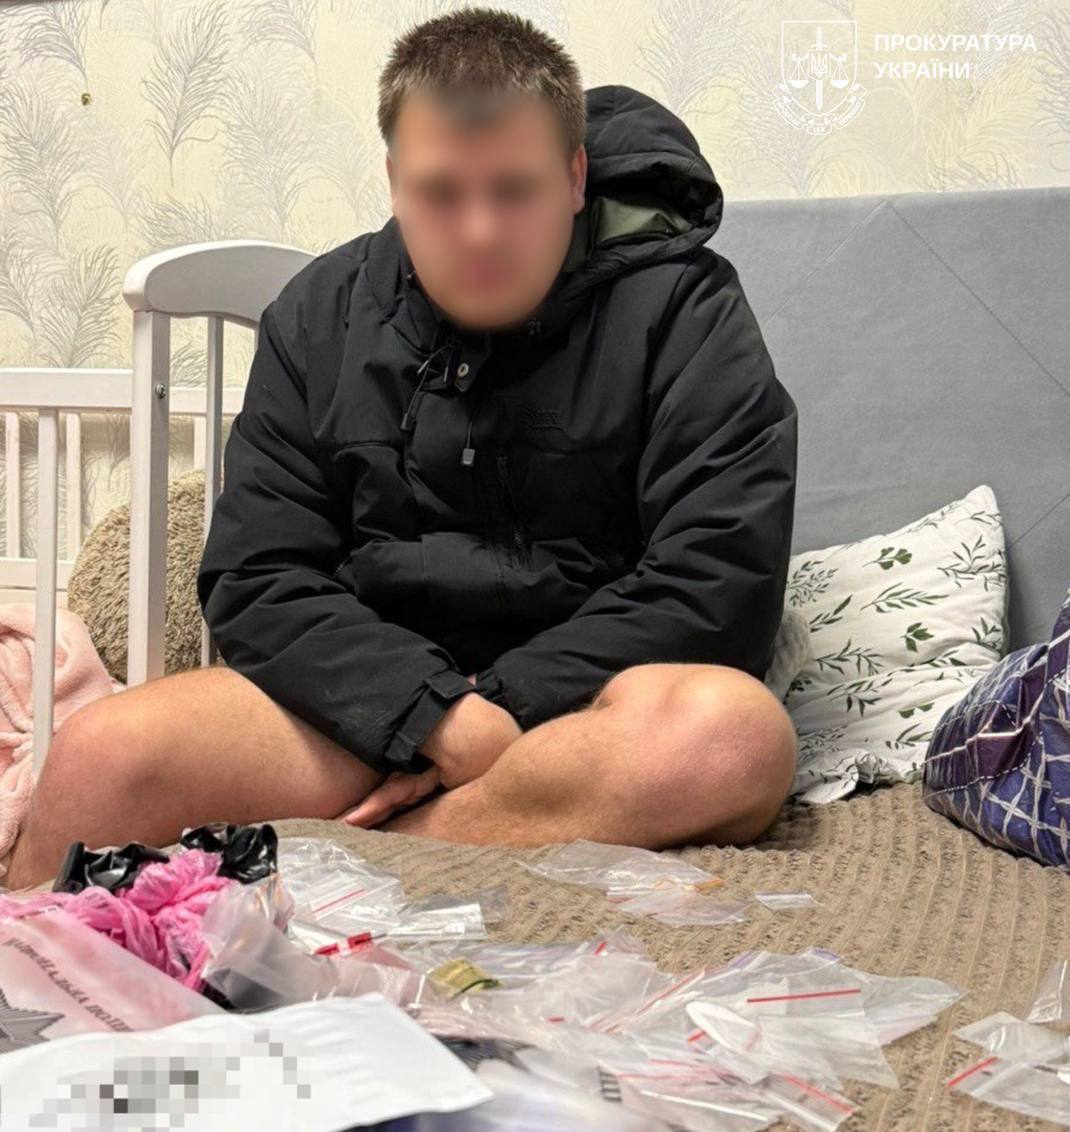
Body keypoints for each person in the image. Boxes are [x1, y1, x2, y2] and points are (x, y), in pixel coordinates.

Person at [4, 7, 799, 891]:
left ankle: (389, 852)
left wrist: (499, 708)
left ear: (575, 177)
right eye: (441, 193)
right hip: (369, 704)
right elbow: (257, 577)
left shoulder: (688, 308)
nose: (480, 231)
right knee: (100, 753)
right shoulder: (317, 311)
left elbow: (717, 580)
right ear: (393, 181)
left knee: (736, 737)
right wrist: (433, 715)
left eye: (516, 191)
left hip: (585, 714)